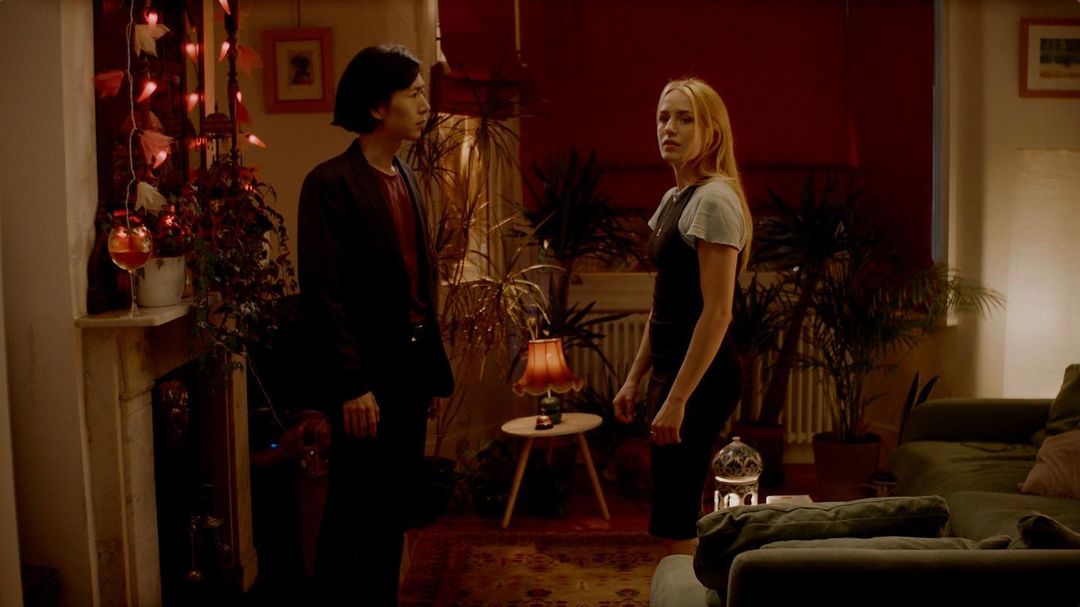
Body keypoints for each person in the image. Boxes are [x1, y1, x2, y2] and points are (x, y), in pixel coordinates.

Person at [297, 44, 453, 606]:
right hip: (364, 383)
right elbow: (325, 295)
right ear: (376, 107)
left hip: (410, 372)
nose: (425, 104)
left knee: (393, 512)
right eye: (414, 94)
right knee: (351, 514)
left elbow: (416, 285)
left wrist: (427, 370)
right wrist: (352, 385)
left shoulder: (406, 175)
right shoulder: (330, 184)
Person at [613, 78, 752, 555]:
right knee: (671, 508)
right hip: (672, 370)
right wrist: (634, 379)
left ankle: (686, 587)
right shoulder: (675, 199)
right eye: (663, 117)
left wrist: (677, 400)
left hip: (701, 377)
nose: (668, 128)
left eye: (685, 119)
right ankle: (681, 583)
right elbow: (664, 303)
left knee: (676, 512)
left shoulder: (715, 199)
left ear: (712, 132)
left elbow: (717, 313)